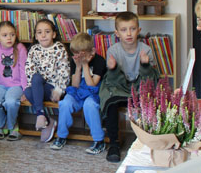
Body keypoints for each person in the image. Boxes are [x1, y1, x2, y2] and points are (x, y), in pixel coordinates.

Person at [98, 11, 159, 163]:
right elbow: (112, 81)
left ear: (139, 30)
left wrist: (145, 65)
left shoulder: (145, 50)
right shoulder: (113, 51)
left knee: (149, 101)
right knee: (111, 103)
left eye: (132, 29)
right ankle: (114, 143)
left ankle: (146, 141)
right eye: (124, 30)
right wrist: (112, 69)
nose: (129, 34)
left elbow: (149, 79)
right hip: (119, 87)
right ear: (117, 33)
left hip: (139, 87)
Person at [51, 33, 108, 154]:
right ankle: (61, 136)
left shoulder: (99, 61)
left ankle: (99, 140)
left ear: (92, 51)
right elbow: (75, 85)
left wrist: (85, 65)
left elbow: (92, 85)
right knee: (65, 103)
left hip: (93, 93)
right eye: (75, 54)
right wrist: (78, 67)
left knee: (90, 105)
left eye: (81, 54)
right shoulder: (75, 61)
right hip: (78, 92)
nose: (78, 57)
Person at [23, 19, 71, 142]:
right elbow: (29, 71)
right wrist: (30, 86)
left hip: (53, 89)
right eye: (39, 32)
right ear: (36, 36)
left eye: (47, 32)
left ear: (54, 34)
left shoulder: (59, 48)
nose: (43, 35)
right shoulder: (34, 49)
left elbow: (64, 72)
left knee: (34, 83)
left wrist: (59, 90)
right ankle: (44, 117)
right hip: (38, 87)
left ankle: (42, 116)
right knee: (29, 89)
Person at [0, 21, 28, 140]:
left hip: (16, 85)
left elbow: (24, 71)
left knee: (11, 102)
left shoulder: (20, 48)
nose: (9, 38)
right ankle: (2, 124)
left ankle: (12, 126)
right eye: (4, 35)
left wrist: (25, 90)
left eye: (12, 34)